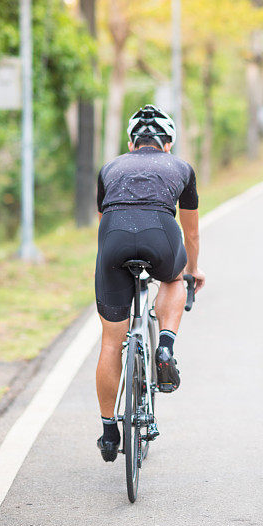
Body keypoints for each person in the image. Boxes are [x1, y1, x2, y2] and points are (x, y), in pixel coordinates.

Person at [94, 104, 205, 462]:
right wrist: (192, 272)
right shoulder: (182, 168)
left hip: (113, 241)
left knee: (111, 344)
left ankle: (109, 433)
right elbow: (191, 233)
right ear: (168, 143)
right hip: (161, 234)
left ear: (131, 143)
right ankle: (166, 346)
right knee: (174, 279)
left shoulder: (109, 168)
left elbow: (103, 220)